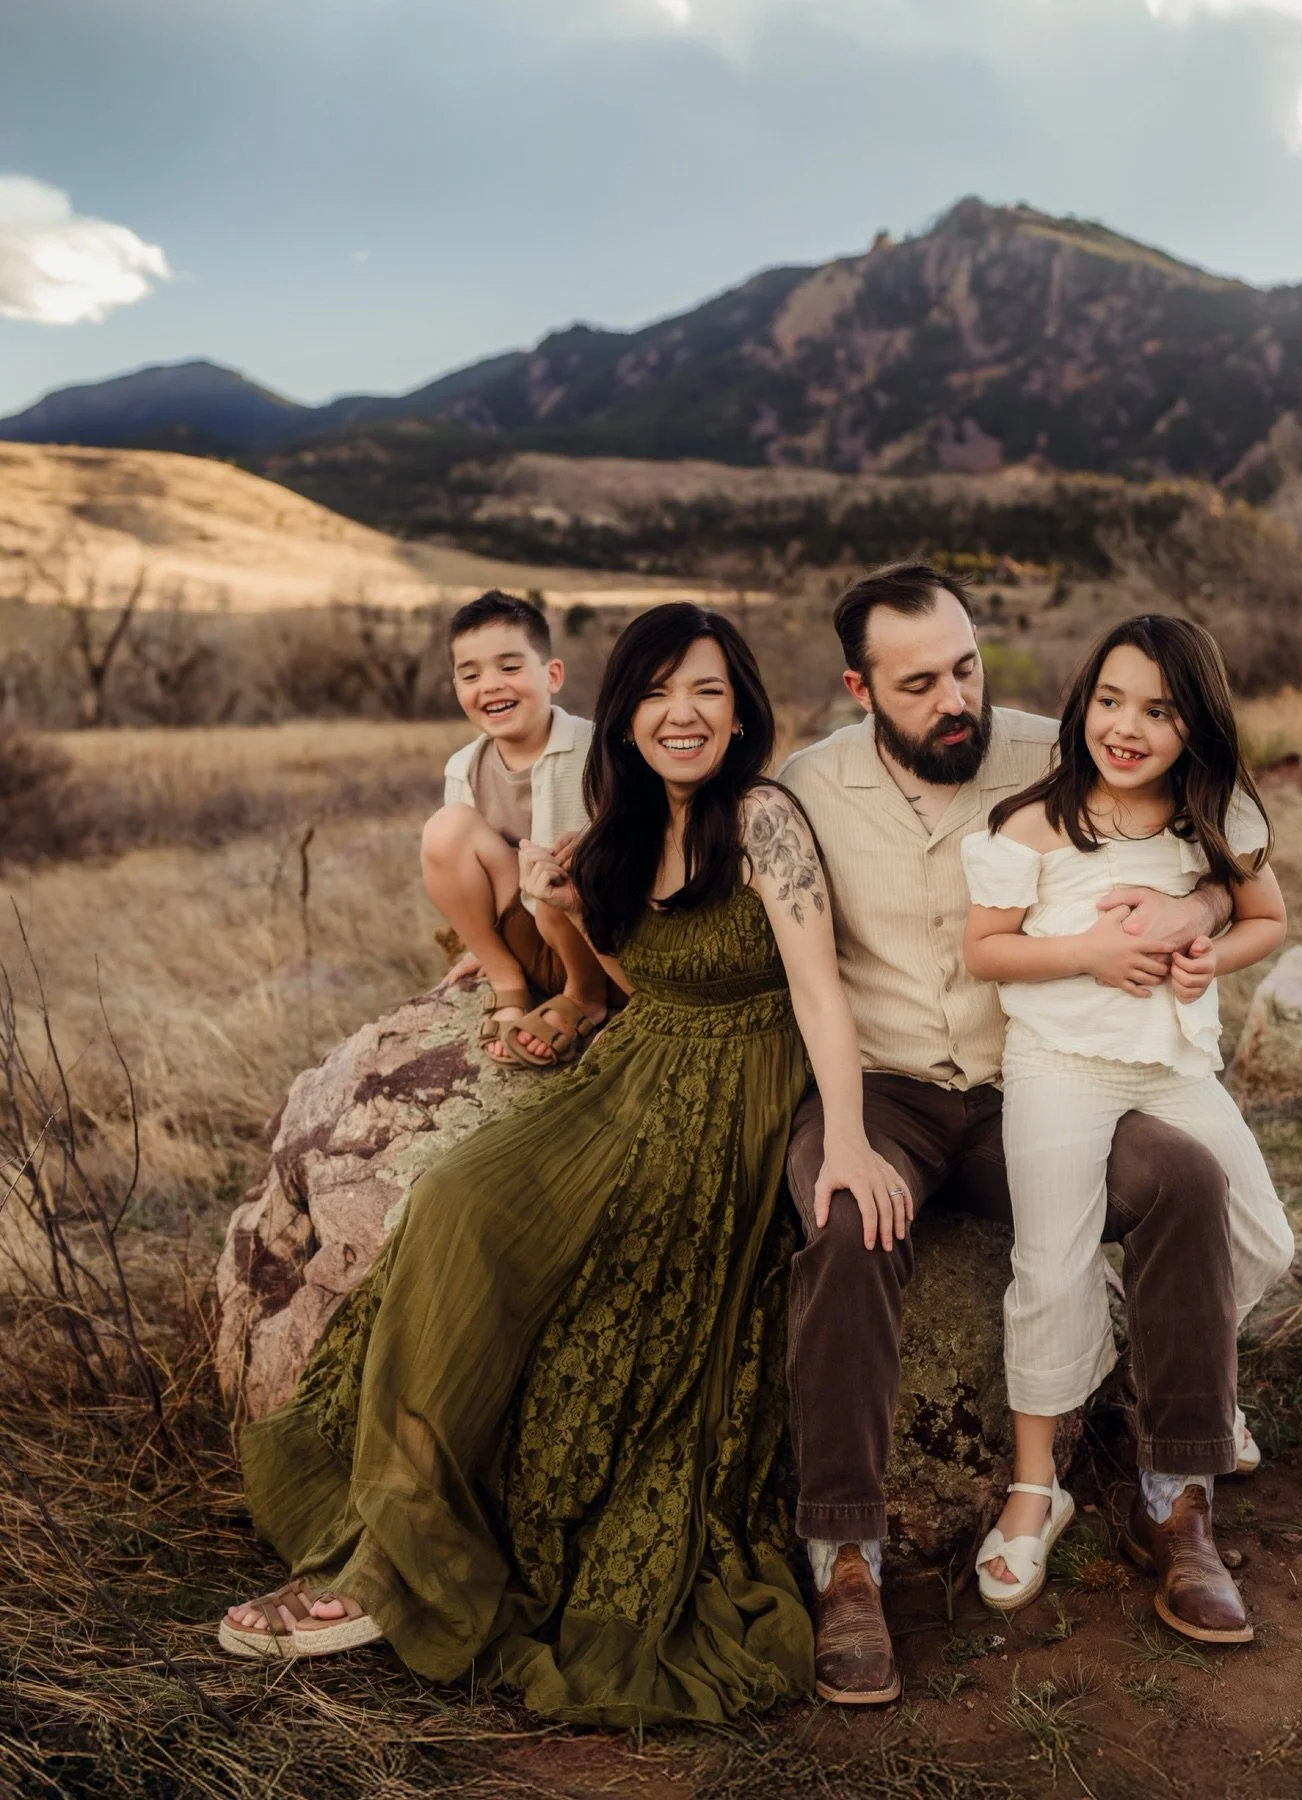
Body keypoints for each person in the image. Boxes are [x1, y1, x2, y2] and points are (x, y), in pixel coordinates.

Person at [217, 603, 908, 1726]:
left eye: (708, 691)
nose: (682, 714)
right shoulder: (616, 828)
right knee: (455, 1199)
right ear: (623, 712)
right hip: (636, 1065)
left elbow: (820, 994)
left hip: (740, 1085)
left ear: (740, 713)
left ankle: (396, 1571)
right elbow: (639, 986)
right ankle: (394, 1542)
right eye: (657, 692)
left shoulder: (763, 818)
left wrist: (849, 1138)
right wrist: (556, 919)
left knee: (612, 1284)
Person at [779, 562, 1261, 1699]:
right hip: (885, 1091)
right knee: (844, 1223)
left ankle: (1176, 1499)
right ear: (860, 689)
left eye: (967, 668)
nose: (957, 700)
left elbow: (1212, 837)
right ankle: (846, 1555)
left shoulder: (1064, 749)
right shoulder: (806, 786)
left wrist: (1196, 909)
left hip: (1032, 1087)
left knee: (1187, 1177)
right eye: (919, 685)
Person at [961, 615, 1293, 1641]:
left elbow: (1267, 920)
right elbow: (986, 951)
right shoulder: (1037, 823)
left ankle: (1193, 1380)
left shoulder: (1217, 818)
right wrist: (1090, 955)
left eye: (1158, 710)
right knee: (1051, 1268)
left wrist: (1207, 950)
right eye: (1110, 700)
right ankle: (1035, 1490)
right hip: (1059, 1067)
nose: (1126, 726)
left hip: (1173, 1066)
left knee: (1264, 1239)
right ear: (1083, 703)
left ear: (1197, 725)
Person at [421, 590, 608, 1068]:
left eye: (509, 667)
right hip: (529, 937)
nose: (490, 685)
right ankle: (509, 981)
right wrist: (482, 946)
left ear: (552, 675)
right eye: (471, 675)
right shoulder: (464, 767)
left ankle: (585, 997)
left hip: (599, 941)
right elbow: (466, 874)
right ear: (457, 688)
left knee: (552, 877)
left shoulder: (598, 749)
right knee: (446, 829)